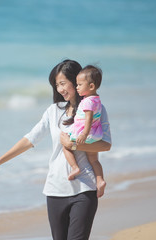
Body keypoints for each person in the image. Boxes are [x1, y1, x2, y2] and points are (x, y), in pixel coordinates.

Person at [0, 59, 111, 240]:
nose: (60, 89)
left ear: (76, 80)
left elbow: (105, 145)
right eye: (57, 85)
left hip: (84, 188)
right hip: (55, 190)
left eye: (63, 83)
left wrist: (74, 145)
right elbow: (30, 139)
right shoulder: (53, 111)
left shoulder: (96, 109)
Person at [63, 65, 106, 198]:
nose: (77, 87)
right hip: (96, 134)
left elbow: (88, 118)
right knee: (94, 160)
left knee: (65, 144)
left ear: (91, 86)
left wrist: (84, 134)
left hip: (85, 132)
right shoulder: (97, 100)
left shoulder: (87, 101)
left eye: (80, 85)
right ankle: (100, 180)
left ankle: (75, 167)